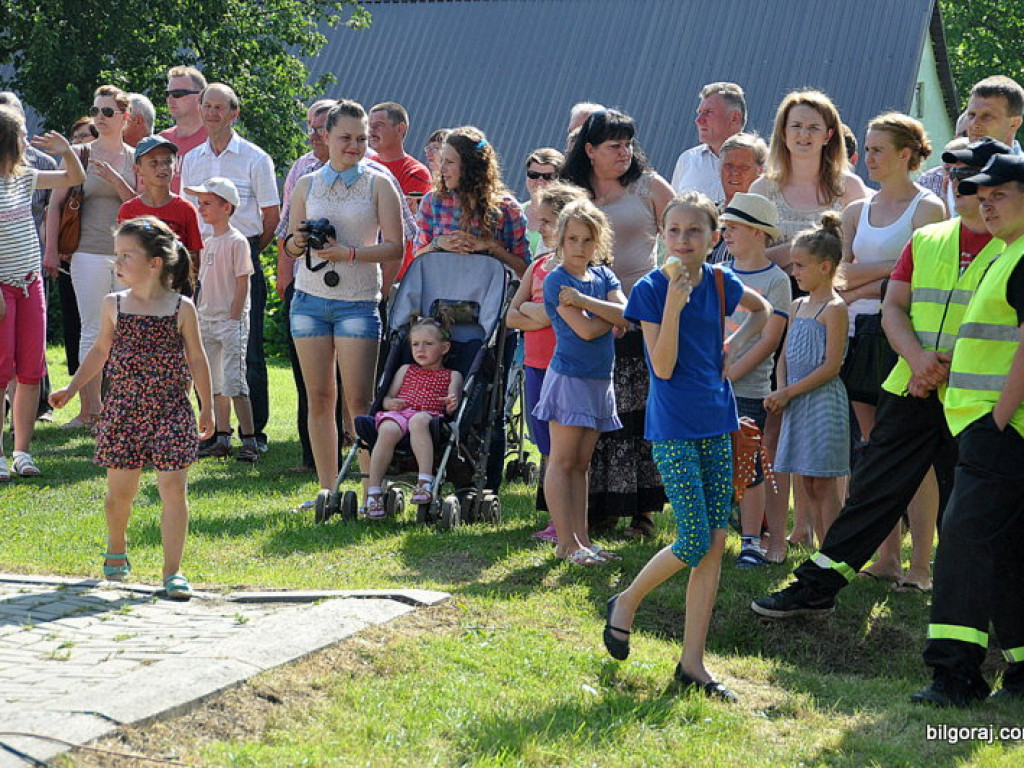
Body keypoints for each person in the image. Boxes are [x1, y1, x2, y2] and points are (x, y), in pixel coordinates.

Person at [750, 137, 1010, 621]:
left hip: (978, 401)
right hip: (910, 387)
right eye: (955, 177)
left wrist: (935, 366)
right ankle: (816, 587)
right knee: (871, 492)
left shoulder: (1013, 248)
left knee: (975, 509)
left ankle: (990, 614)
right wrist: (918, 360)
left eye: (972, 179)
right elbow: (894, 307)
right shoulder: (929, 239)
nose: (960, 186)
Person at [604, 192, 769, 701]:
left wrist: (732, 346)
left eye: (694, 231)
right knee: (695, 539)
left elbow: (763, 311)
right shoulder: (652, 289)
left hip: (718, 422)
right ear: (662, 235)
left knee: (714, 546)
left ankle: (693, 663)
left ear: (714, 237)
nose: (683, 240)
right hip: (674, 427)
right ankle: (626, 602)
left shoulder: (720, 281)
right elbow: (663, 366)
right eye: (674, 230)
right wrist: (674, 306)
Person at [48, 216, 213, 600]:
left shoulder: (182, 308)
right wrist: (73, 388)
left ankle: (172, 571)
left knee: (173, 490)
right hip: (123, 411)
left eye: (126, 255)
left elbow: (197, 358)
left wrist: (207, 407)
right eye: (116, 254)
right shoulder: (114, 304)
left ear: (154, 263)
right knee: (119, 495)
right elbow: (99, 352)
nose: (117, 262)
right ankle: (117, 545)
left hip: (171, 409)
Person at [912, 153, 1024, 707]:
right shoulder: (1007, 254)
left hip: (999, 428)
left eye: (1000, 194)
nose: (987, 205)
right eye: (982, 196)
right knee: (1005, 548)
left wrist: (998, 418)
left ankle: (955, 675)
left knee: (961, 543)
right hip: (989, 426)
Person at [749, 88, 868, 546]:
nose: (803, 134)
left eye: (813, 127)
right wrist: (799, 254)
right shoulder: (763, 189)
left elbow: (856, 257)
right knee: (778, 422)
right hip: (778, 313)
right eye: (795, 125)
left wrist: (803, 259)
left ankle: (821, 529)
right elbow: (753, 259)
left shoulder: (849, 189)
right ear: (782, 132)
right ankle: (783, 531)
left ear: (829, 134)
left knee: (824, 427)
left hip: (832, 314)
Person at [840, 113, 945, 582]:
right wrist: (891, 269)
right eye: (866, 148)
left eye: (878, 149)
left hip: (905, 339)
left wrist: (872, 280)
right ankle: (887, 558)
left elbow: (921, 280)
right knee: (874, 450)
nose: (869, 157)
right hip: (861, 335)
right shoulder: (855, 211)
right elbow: (840, 277)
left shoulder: (928, 209)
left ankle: (920, 565)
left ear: (906, 154)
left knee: (913, 456)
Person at [283, 99, 403, 508]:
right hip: (309, 300)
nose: (354, 146)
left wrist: (348, 253)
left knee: (359, 403)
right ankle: (327, 490)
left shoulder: (378, 183)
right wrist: (299, 242)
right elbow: (289, 243)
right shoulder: (306, 184)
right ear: (326, 137)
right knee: (319, 398)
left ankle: (371, 491)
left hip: (357, 302)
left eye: (362, 139)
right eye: (345, 138)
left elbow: (395, 247)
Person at [560, 108, 674, 538]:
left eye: (628, 144)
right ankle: (597, 507)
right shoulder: (572, 191)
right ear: (589, 150)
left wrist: (670, 290)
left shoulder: (650, 185)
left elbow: (683, 237)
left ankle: (642, 511)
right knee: (592, 412)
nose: (624, 152)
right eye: (614, 145)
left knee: (637, 414)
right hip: (584, 314)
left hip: (640, 316)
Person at [180, 82, 280, 453]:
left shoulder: (255, 157)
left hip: (242, 251)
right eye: (207, 106)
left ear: (234, 113)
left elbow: (272, 215)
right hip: (201, 257)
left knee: (247, 348)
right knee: (204, 348)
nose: (211, 113)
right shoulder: (192, 159)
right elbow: (190, 214)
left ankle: (254, 434)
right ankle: (212, 432)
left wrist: (245, 252)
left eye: (219, 107)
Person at [532, 198, 629, 565]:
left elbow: (627, 312)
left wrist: (588, 302)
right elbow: (586, 331)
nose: (579, 247)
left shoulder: (603, 276)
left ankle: (582, 540)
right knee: (562, 461)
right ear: (561, 239)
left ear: (598, 241)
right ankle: (566, 543)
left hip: (599, 380)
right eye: (573, 239)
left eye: (587, 240)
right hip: (570, 378)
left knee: (582, 464)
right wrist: (611, 317)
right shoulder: (557, 280)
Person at [43, 84, 138, 430]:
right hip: (86, 253)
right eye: (96, 110)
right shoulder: (79, 153)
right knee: (92, 330)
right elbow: (55, 205)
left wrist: (115, 180)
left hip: (130, 257)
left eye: (108, 111)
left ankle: (121, 411)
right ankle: (90, 411)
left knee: (127, 331)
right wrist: (51, 251)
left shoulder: (135, 157)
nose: (100, 117)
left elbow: (140, 205)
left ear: (125, 117)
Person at [0, 108, 85, 479]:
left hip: (29, 282)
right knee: (1, 370)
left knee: (31, 370)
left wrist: (67, 151)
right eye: (21, 134)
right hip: (2, 288)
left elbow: (73, 177)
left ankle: (22, 452)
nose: (26, 139)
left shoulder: (25, 177)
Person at [506, 182, 588, 542]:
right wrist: (540, 312)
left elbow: (575, 317)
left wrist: (541, 313)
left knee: (566, 451)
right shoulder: (538, 266)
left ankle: (571, 526)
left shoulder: (581, 271)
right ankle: (559, 520)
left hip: (567, 368)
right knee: (545, 444)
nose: (538, 227)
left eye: (546, 221)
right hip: (536, 365)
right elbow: (511, 316)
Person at [765, 214, 850, 544]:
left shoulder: (835, 308)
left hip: (822, 403)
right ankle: (819, 549)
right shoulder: (798, 305)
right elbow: (785, 354)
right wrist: (781, 389)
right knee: (807, 481)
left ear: (825, 267)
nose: (794, 272)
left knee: (824, 482)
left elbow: (831, 366)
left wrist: (789, 392)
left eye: (800, 266)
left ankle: (833, 551)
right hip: (796, 401)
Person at [720, 192, 791, 565]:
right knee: (715, 462)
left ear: (759, 233)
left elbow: (768, 340)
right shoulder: (718, 272)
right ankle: (712, 535)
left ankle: (750, 541)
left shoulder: (777, 279)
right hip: (711, 386)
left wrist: (730, 372)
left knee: (749, 464)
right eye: (725, 227)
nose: (726, 234)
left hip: (748, 387)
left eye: (735, 227)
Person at [186, 177, 257, 463]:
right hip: (207, 319)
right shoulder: (209, 242)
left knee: (235, 382)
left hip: (229, 323)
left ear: (227, 207)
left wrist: (234, 318)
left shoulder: (237, 242)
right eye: (199, 203)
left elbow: (242, 282)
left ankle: (249, 440)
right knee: (215, 384)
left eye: (207, 203)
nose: (201, 208)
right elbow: (201, 283)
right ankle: (222, 437)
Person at [366, 316, 464, 519]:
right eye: (415, 344)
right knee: (387, 429)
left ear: (444, 348)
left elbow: (452, 405)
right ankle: (373, 492)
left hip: (429, 416)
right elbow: (387, 398)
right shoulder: (405, 370)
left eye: (428, 344)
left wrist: (451, 403)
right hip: (400, 414)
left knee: (418, 420)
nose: (421, 349)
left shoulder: (452, 375)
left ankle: (424, 482)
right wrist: (390, 404)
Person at [117, 135, 203, 272]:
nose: (162, 168)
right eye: (153, 163)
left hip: (174, 283)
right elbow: (123, 255)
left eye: (168, 162)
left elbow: (194, 258)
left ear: (175, 167)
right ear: (138, 169)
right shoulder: (128, 210)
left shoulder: (186, 209)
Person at [368, 102, 432, 283]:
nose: (371, 131)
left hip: (400, 276)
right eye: (369, 125)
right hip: (365, 270)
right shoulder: (364, 167)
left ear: (400, 129)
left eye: (379, 125)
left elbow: (403, 223)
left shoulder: (416, 173)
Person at [671, 82, 746, 201]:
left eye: (708, 112)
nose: (698, 120)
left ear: (734, 118)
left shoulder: (763, 164)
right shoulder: (687, 160)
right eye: (699, 113)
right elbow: (673, 209)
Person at [707, 132, 768, 264]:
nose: (735, 173)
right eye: (728, 166)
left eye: (744, 167)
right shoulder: (707, 214)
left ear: (761, 171)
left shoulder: (765, 221)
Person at [159, 65, 209, 193]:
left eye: (178, 94)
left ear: (200, 97)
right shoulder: (160, 141)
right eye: (168, 94)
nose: (170, 99)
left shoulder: (215, 141)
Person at [522, 147, 564, 257]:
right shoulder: (515, 212)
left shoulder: (566, 217)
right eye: (533, 175)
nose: (540, 181)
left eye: (548, 177)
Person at [963, 75, 1023, 148]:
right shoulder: (954, 154)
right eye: (972, 115)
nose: (974, 124)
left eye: (987, 116)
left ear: (1014, 124)